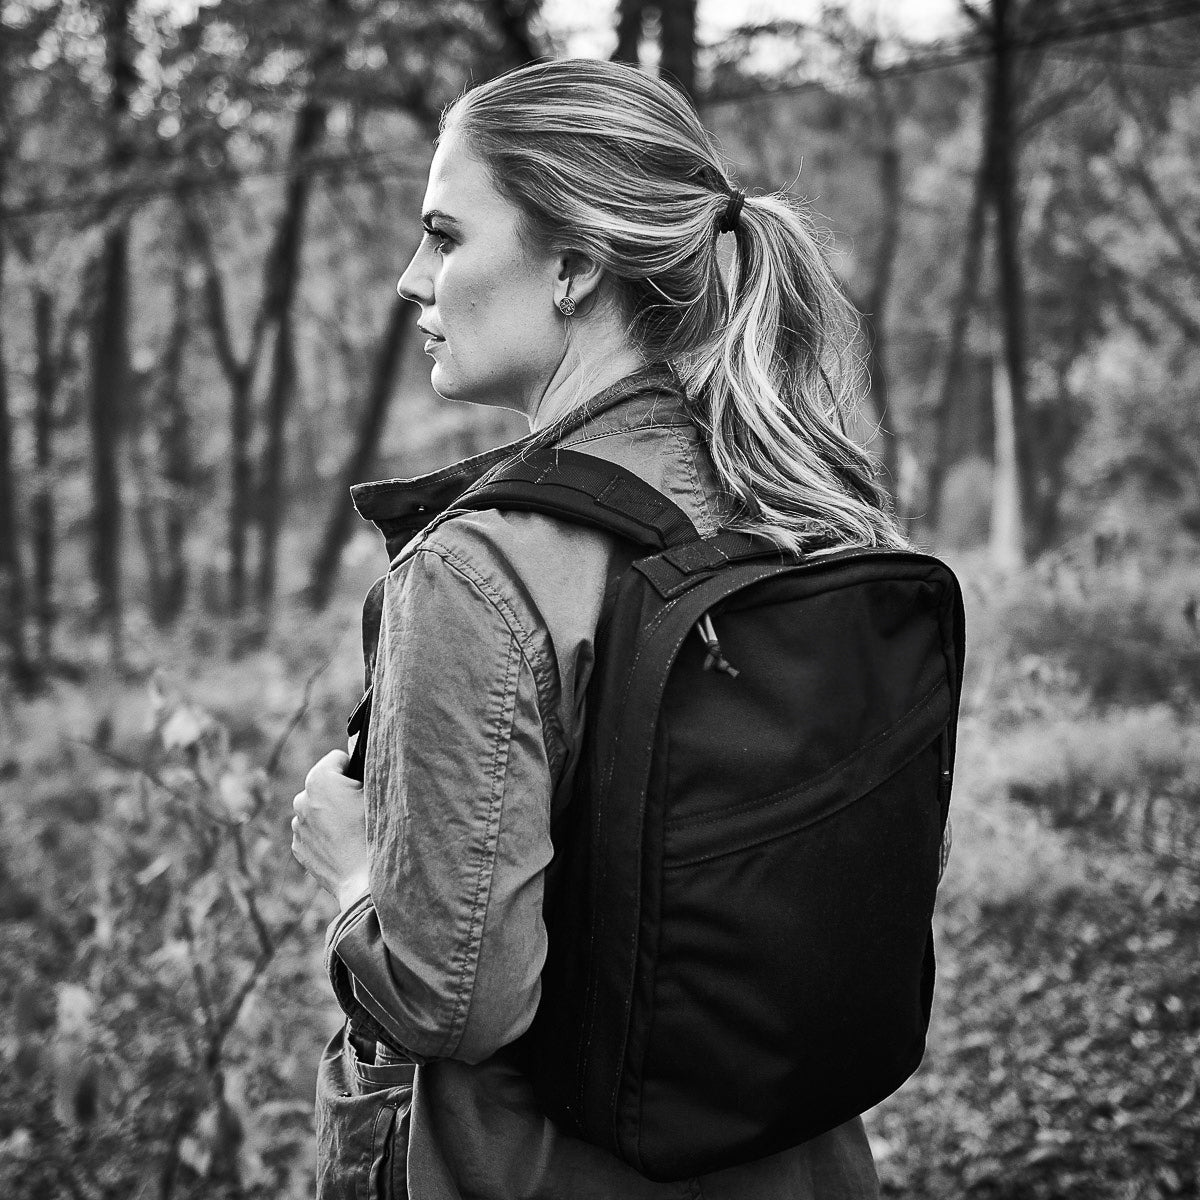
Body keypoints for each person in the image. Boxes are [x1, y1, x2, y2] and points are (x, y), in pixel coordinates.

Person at [291, 57, 907, 1200]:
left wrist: (350, 874)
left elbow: (452, 996)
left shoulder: (480, 572)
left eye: (443, 233)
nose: (407, 277)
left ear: (573, 264)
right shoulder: (809, 507)